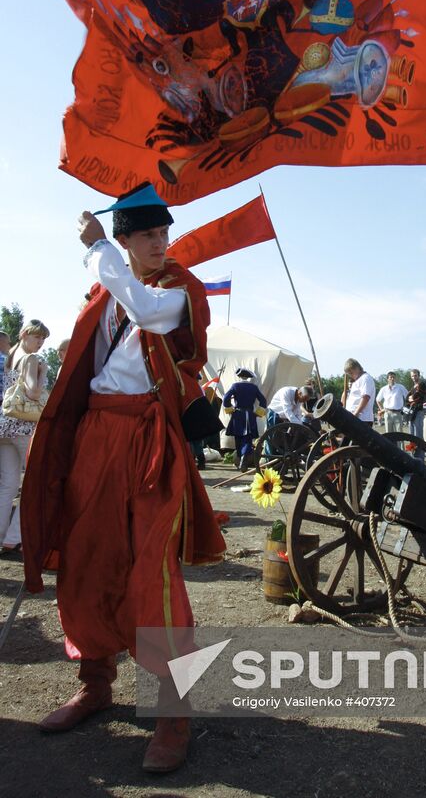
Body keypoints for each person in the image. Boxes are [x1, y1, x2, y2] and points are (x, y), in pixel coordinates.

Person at [20, 182, 225, 774]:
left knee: (152, 572)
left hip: (147, 440)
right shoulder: (103, 290)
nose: (161, 243)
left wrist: (95, 249)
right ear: (128, 239)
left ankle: (173, 711)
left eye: (164, 233)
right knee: (87, 558)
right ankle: (95, 680)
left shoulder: (179, 292)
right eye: (148, 236)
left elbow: (142, 306)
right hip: (96, 436)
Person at [0, 320, 50, 554]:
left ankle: (3, 536)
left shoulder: (10, 356)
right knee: (32, 484)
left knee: (7, 485)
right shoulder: (31, 359)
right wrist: (44, 373)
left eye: (42, 339)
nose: (40, 342)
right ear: (24, 334)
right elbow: (33, 392)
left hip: (5, 426)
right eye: (37, 337)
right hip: (25, 427)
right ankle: (14, 537)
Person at [222, 368, 267, 470]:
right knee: (248, 439)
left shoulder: (235, 386)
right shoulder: (254, 387)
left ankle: (240, 459)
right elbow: (263, 400)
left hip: (237, 414)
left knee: (238, 437)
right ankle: (243, 459)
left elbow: (226, 398)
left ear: (239, 376)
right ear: (249, 377)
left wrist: (229, 409)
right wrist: (259, 413)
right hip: (250, 415)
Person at [342, 359, 376, 424]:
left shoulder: (365, 378)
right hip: (355, 418)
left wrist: (356, 414)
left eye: (351, 373)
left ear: (357, 368)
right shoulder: (357, 381)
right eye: (349, 374)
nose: (351, 375)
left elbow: (365, 397)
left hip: (362, 418)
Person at [405, 369, 426, 458]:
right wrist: (410, 398)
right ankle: (414, 457)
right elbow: (407, 398)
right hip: (412, 413)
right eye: (412, 376)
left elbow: (417, 397)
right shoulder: (413, 387)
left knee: (418, 436)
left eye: (415, 375)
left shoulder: (422, 384)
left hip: (419, 412)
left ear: (419, 375)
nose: (414, 377)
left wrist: (411, 398)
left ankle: (420, 458)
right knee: (412, 436)